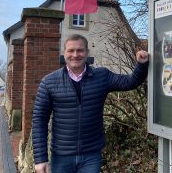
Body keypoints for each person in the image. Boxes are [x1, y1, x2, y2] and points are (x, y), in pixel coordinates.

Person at [32, 34, 149, 173]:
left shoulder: (102, 76)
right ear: (64, 53)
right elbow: (39, 119)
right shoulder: (49, 82)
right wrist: (40, 158)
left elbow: (130, 82)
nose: (75, 55)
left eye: (80, 50)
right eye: (71, 50)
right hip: (61, 156)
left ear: (87, 53)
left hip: (91, 156)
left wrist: (141, 65)